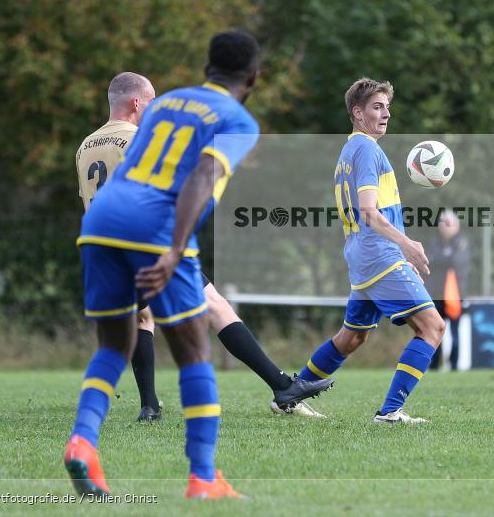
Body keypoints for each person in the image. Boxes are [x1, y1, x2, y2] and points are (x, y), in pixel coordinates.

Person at [65, 31, 292, 500]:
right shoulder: (236, 119)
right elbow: (201, 178)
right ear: (252, 77)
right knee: (194, 352)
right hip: (156, 226)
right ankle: (204, 478)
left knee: (113, 346)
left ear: (208, 67)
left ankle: (83, 443)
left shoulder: (165, 104)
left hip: (100, 221)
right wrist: (173, 249)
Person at [76, 73, 331, 422]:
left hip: (107, 246)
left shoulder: (85, 147)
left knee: (142, 317)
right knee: (215, 306)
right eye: (151, 100)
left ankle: (149, 405)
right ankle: (282, 386)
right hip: (150, 239)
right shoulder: (141, 140)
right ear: (136, 103)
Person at [296, 77, 446, 423]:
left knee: (352, 337)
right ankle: (391, 412)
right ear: (357, 113)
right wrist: (406, 243)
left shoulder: (350, 149)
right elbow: (369, 211)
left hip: (361, 255)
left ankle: (292, 394)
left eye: (387, 108)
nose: (386, 114)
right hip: (380, 255)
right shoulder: (366, 149)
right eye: (377, 107)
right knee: (433, 327)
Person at [426, 209, 470, 371]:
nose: (446, 227)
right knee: (436, 332)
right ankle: (434, 366)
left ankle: (454, 366)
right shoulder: (433, 242)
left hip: (456, 296)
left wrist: (441, 258)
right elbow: (430, 260)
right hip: (436, 295)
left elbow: (457, 260)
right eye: (443, 223)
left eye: (450, 223)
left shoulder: (462, 242)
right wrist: (445, 258)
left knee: (455, 334)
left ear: (456, 226)